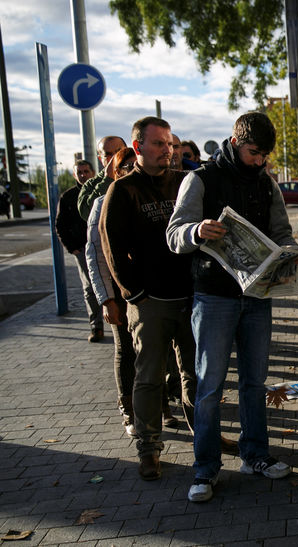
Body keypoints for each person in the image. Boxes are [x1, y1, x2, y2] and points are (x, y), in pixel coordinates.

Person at [167, 112, 298, 502]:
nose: (259, 161)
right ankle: (205, 470)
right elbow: (174, 235)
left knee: (254, 383)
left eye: (264, 155)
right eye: (253, 152)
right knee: (209, 387)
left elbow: (281, 232)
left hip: (257, 297)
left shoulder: (267, 183)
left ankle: (254, 454)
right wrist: (197, 230)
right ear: (235, 141)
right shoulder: (200, 179)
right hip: (214, 296)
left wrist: (290, 252)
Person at [99, 116, 197, 481]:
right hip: (150, 301)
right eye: (159, 144)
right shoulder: (123, 191)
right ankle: (149, 449)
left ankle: (203, 435)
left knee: (194, 374)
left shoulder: (184, 182)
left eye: (170, 144)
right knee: (149, 377)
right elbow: (111, 248)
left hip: (188, 297)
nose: (167, 151)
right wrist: (134, 294)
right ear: (138, 147)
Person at [85, 148, 138, 436]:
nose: (130, 169)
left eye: (134, 164)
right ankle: (128, 411)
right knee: (126, 349)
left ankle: (160, 407)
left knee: (157, 351)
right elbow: (95, 254)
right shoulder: (101, 203)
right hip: (119, 292)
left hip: (150, 290)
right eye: (124, 166)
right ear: (115, 172)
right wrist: (106, 299)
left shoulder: (149, 197)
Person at [56, 160, 104, 343]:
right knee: (89, 288)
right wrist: (71, 247)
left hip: (102, 245)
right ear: (75, 175)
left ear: (92, 172)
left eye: (86, 171)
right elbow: (60, 225)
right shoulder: (68, 197)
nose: (83, 175)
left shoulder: (100, 191)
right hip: (82, 249)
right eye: (80, 172)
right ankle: (96, 326)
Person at [77, 136, 126, 220]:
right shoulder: (91, 184)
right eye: (108, 155)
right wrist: (108, 180)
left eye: (119, 151)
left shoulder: (141, 175)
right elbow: (87, 214)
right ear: (101, 159)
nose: (115, 157)